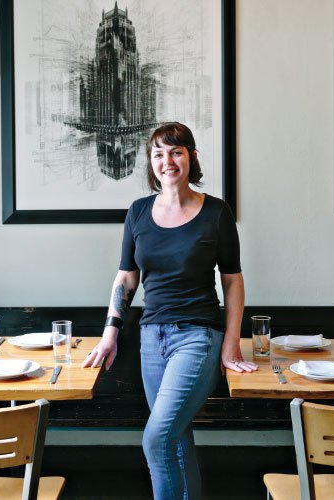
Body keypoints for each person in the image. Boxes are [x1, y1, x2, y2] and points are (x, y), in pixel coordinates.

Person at [82, 122, 257, 499]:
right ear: (151, 162)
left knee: (157, 437)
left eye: (176, 152)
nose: (167, 161)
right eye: (158, 153)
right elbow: (126, 278)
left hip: (198, 337)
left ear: (191, 157)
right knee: (176, 438)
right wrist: (110, 333)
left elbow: (232, 281)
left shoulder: (216, 212)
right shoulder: (139, 212)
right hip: (151, 338)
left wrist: (231, 344)